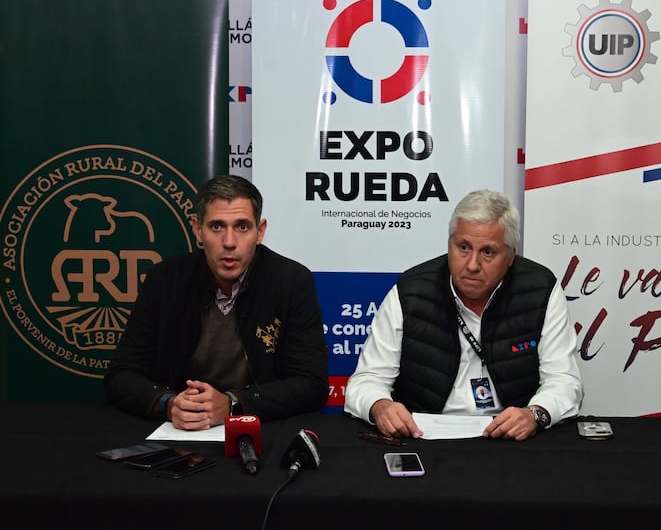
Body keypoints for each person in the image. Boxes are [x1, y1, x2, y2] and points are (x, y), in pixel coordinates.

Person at [344, 189, 583, 441]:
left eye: (488, 252)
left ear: (511, 255)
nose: (471, 265)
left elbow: (564, 380)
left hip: (509, 438)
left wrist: (535, 414)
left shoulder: (540, 290)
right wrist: (379, 406)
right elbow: (366, 381)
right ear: (449, 244)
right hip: (423, 435)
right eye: (463, 247)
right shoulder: (411, 292)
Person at [105, 176, 328, 430]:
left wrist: (233, 403)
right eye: (217, 227)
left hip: (259, 431)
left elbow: (311, 384)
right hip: (179, 430)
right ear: (198, 229)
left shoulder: (291, 281)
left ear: (260, 231)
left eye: (242, 227)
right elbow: (120, 375)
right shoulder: (165, 279)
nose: (229, 242)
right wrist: (169, 403)